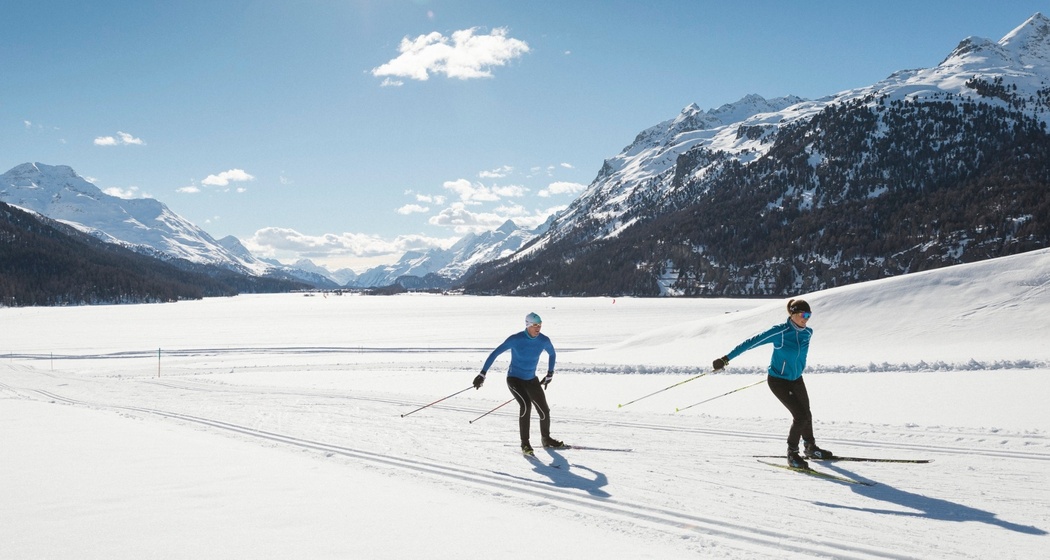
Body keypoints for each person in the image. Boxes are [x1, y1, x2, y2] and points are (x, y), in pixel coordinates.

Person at [711, 299, 833, 469]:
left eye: (809, 315)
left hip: (796, 379)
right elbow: (751, 342)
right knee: (800, 416)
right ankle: (792, 454)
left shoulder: (808, 333)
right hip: (779, 381)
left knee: (807, 414)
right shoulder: (780, 332)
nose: (807, 318)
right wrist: (725, 359)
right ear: (793, 314)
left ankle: (810, 447)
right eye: (804, 315)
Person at [473, 312, 565, 455]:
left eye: (540, 325)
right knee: (526, 405)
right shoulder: (515, 339)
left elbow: (552, 354)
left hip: (531, 379)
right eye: (535, 325)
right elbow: (495, 353)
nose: (538, 327)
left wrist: (550, 374)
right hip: (514, 379)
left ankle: (546, 439)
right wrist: (482, 373)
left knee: (544, 410)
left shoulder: (544, 340)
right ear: (527, 325)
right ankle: (525, 444)